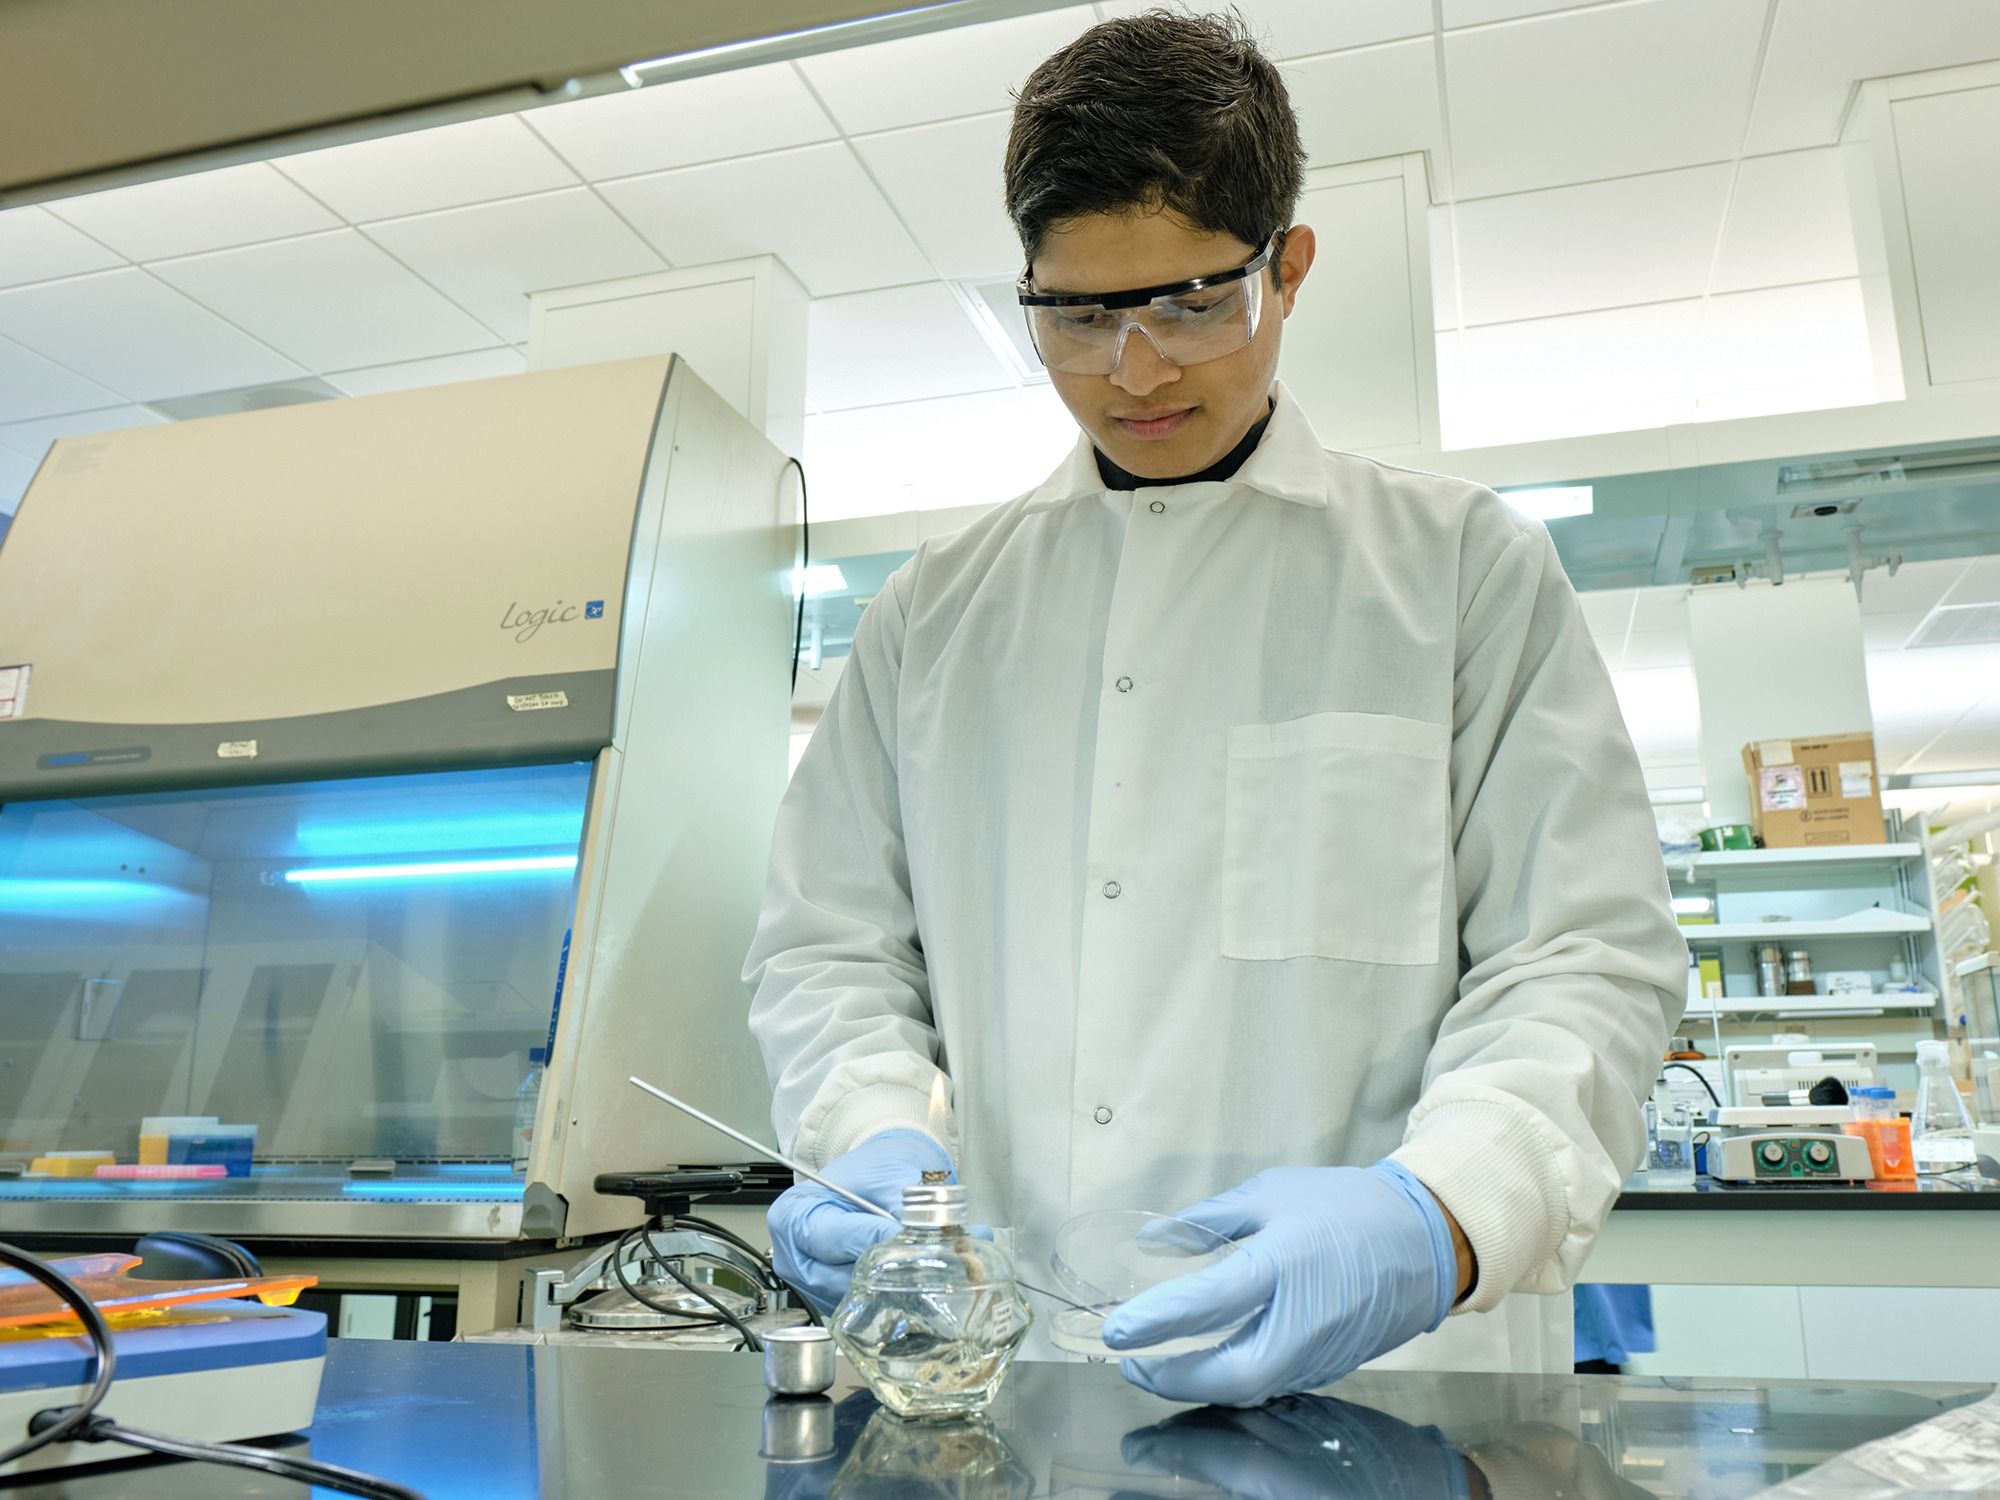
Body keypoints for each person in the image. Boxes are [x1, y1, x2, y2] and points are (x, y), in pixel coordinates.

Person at [744, 9, 1686, 1407]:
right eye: (1078, 316)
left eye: (1191, 304)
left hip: (1392, 1379)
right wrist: (871, 1129)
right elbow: (831, 950)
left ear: (1287, 268)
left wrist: (1441, 1211)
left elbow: (1581, 959)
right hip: (1023, 1370)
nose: (1135, 371)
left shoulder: (1458, 569)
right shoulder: (932, 617)